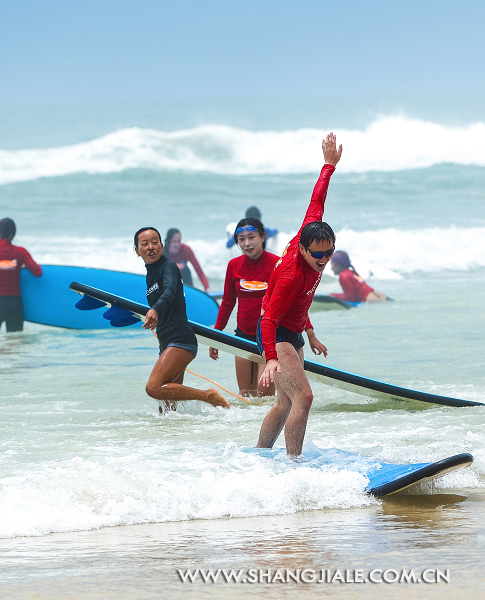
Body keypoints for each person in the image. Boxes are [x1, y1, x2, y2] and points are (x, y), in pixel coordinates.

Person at [255, 132, 341, 457]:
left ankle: (260, 455)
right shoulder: (291, 274)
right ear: (302, 248)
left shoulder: (313, 234)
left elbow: (317, 200)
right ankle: (294, 466)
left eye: (329, 253)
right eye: (317, 255)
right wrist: (271, 359)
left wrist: (328, 165)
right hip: (276, 334)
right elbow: (269, 318)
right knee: (304, 399)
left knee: (285, 402)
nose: (323, 261)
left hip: (294, 331)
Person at [210, 217, 324, 396]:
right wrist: (216, 335)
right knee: (246, 393)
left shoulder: (278, 264)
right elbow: (227, 302)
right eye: (241, 239)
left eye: (252, 237)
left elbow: (296, 303)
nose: (247, 243)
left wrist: (310, 334)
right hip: (242, 336)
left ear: (263, 237)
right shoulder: (233, 266)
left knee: (265, 392)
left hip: (269, 337)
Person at [135, 226, 229, 411]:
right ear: (137, 251)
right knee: (168, 409)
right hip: (167, 341)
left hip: (180, 339)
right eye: (144, 244)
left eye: (155, 242)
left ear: (162, 246)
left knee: (153, 388)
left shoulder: (167, 266)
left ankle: (207, 396)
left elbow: (170, 290)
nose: (150, 247)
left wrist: (155, 309)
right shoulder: (151, 274)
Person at [0, 218, 42, 333]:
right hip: (14, 303)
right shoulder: (21, 252)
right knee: (15, 341)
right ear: (13, 234)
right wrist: (22, 266)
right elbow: (38, 272)